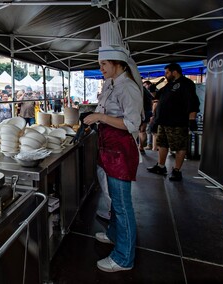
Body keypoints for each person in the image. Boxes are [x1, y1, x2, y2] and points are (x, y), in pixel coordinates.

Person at [83, 44, 143, 272]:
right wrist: (97, 114)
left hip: (121, 152)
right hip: (109, 148)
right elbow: (105, 108)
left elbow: (132, 124)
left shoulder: (128, 88)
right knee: (114, 201)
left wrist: (100, 116)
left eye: (104, 64)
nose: (101, 68)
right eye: (100, 64)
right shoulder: (111, 83)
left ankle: (124, 258)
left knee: (122, 205)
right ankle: (113, 233)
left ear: (118, 63)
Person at [147, 63, 200, 181]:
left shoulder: (186, 84)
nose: (165, 75)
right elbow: (157, 96)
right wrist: (152, 89)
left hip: (177, 122)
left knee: (179, 146)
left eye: (167, 72)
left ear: (174, 72)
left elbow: (193, 102)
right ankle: (161, 166)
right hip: (163, 121)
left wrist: (192, 119)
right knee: (162, 144)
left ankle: (177, 170)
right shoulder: (169, 85)